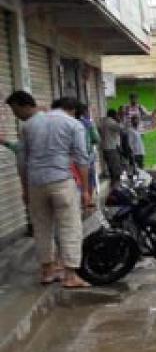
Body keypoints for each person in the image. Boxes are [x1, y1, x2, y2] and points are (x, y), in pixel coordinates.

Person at [6, 92, 91, 288]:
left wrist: (25, 189)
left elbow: (21, 160)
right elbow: (82, 159)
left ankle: (48, 271)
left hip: (36, 183)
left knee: (42, 227)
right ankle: (70, 276)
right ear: (71, 110)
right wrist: (86, 190)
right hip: (61, 181)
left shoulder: (29, 125)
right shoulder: (73, 124)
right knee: (69, 226)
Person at [99, 109, 125, 182]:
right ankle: (116, 185)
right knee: (115, 169)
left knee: (110, 167)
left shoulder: (102, 122)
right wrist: (119, 120)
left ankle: (113, 183)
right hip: (111, 148)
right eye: (116, 115)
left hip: (104, 148)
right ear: (113, 115)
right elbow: (122, 130)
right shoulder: (111, 122)